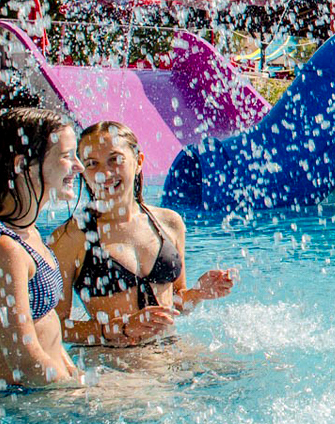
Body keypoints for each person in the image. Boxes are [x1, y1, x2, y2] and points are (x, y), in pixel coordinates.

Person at [50, 121, 235, 347]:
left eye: (115, 160)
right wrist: (120, 328)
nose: (104, 173)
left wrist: (198, 293)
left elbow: (175, 303)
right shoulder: (71, 237)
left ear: (138, 162)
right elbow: (53, 327)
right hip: (115, 365)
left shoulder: (169, 224)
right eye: (92, 164)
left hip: (172, 351)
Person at [0, 107, 86, 393]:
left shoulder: (29, 235)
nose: (80, 167)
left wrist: (78, 379)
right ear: (21, 164)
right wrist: (81, 399)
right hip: (15, 411)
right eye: (67, 156)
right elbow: (22, 361)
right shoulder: (1, 249)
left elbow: (48, 338)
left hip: (45, 397)